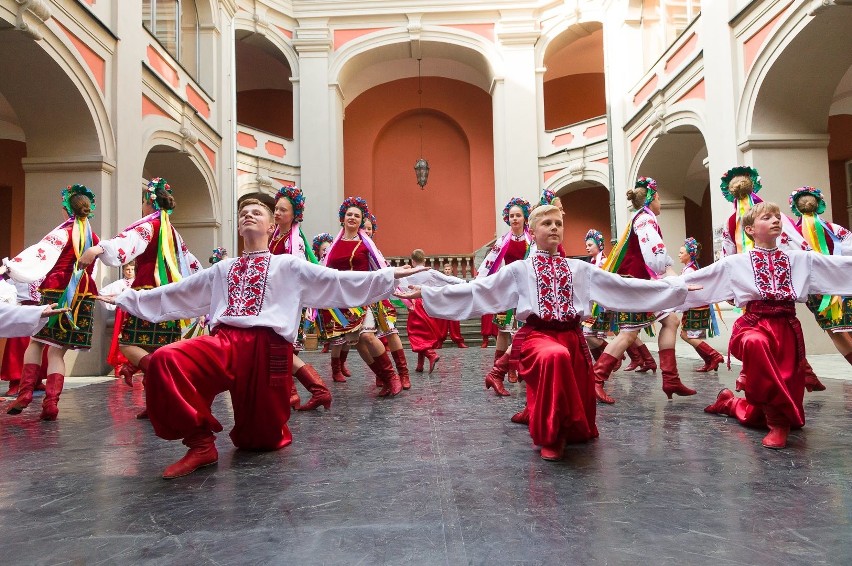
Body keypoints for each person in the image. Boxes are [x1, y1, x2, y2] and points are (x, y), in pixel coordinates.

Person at [105, 199, 425, 478]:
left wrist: (389, 275)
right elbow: (176, 293)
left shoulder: (288, 265)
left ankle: (298, 402)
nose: (248, 215)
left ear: (272, 226)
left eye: (256, 212)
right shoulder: (222, 269)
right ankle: (200, 444)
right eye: (244, 212)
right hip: (225, 343)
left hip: (267, 349)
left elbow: (335, 281)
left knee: (258, 441)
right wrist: (125, 297)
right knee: (164, 360)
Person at [398, 205, 689, 461]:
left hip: (573, 338)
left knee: (570, 376)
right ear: (533, 232)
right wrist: (427, 291)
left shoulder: (579, 268)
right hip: (539, 337)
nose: (553, 228)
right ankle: (550, 437)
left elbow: (623, 287)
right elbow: (477, 291)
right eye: (546, 223)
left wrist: (675, 289)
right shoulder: (519, 271)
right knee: (554, 357)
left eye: (558, 224)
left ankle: (550, 419)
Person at [686, 202, 852, 449]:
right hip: (753, 324)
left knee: (768, 415)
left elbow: (842, 268)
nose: (776, 220)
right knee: (756, 343)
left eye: (777, 216)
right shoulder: (736, 263)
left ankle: (730, 403)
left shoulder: (800, 260)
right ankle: (777, 423)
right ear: (751, 229)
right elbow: (698, 280)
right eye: (767, 217)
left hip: (787, 329)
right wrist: (672, 289)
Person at [78, 177, 201, 419]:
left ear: (149, 203)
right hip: (169, 296)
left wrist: (96, 249)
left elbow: (127, 242)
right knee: (157, 347)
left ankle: (162, 382)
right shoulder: (172, 232)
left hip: (148, 294)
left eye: (143, 202)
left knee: (128, 343)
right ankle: (156, 402)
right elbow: (190, 263)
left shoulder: (150, 226)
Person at [718, 166, 825, 392]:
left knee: (772, 330)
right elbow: (798, 241)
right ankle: (794, 373)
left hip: (765, 276)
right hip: (756, 277)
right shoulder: (752, 219)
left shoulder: (752, 219)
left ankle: (785, 373)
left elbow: (726, 254)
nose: (774, 220)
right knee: (762, 331)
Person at [591, 177, 694, 404]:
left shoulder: (640, 219)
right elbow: (655, 255)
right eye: (659, 198)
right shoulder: (645, 220)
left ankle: (671, 379)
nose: (661, 203)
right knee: (628, 334)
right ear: (652, 198)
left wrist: (672, 279)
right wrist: (673, 279)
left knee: (671, 321)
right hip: (636, 285)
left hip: (644, 284)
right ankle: (595, 380)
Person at [1, 184, 100, 420]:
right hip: (83, 295)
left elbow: (37, 256)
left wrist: (8, 269)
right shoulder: (93, 237)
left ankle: (24, 394)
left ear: (66, 210)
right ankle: (51, 404)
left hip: (57, 291)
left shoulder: (61, 233)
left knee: (35, 343)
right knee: (57, 353)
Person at [320, 197, 405, 396]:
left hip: (363, 298)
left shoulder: (366, 245)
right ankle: (384, 379)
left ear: (361, 220)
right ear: (343, 217)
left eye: (356, 215)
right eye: (349, 214)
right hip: (341, 302)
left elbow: (381, 268)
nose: (352, 218)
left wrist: (397, 284)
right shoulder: (333, 245)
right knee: (357, 342)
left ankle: (393, 377)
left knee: (367, 335)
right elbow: (323, 271)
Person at [268, 186, 332, 412]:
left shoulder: (296, 242)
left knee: (283, 350)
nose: (276, 213)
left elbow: (297, 273)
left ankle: (318, 390)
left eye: (282, 210)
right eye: (275, 209)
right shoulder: (276, 236)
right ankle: (295, 394)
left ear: (294, 215)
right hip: (277, 299)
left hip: (290, 302)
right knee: (281, 351)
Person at [789, 187, 852, 376]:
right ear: (819, 204)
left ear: (796, 208)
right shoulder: (836, 229)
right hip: (843, 284)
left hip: (815, 289)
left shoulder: (793, 233)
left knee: (835, 330)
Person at [477, 197, 532, 395]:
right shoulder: (503, 240)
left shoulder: (531, 240)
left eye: (518, 215)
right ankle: (500, 369)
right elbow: (490, 262)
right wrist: (480, 281)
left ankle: (515, 367)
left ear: (525, 218)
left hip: (525, 291)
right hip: (507, 289)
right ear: (507, 219)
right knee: (503, 330)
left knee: (521, 331)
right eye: (511, 216)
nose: (515, 219)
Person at [405, 251, 465, 372]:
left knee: (416, 334)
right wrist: (464, 283)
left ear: (413, 261)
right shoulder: (430, 272)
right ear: (425, 260)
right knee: (424, 333)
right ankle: (420, 365)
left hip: (415, 304)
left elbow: (397, 283)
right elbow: (448, 279)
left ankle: (431, 355)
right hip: (429, 303)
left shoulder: (409, 273)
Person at [677, 238, 725, 372]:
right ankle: (710, 360)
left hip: (696, 307)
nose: (679, 255)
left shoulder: (690, 271)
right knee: (691, 336)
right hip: (697, 307)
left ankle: (714, 355)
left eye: (681, 252)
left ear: (689, 254)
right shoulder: (690, 268)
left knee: (686, 335)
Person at [99, 262, 136, 375]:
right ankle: (119, 364)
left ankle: (134, 363)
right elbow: (102, 293)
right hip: (122, 313)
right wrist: (117, 300)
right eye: (127, 269)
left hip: (135, 312)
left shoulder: (139, 281)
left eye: (132, 269)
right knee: (120, 337)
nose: (129, 272)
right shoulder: (119, 283)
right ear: (123, 271)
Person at [435, 263, 468, 348]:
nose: (447, 271)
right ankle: (439, 341)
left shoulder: (455, 280)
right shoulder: (439, 281)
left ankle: (459, 341)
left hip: (453, 304)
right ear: (443, 270)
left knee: (455, 323)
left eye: (448, 269)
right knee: (441, 324)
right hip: (443, 304)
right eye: (445, 269)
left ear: (451, 270)